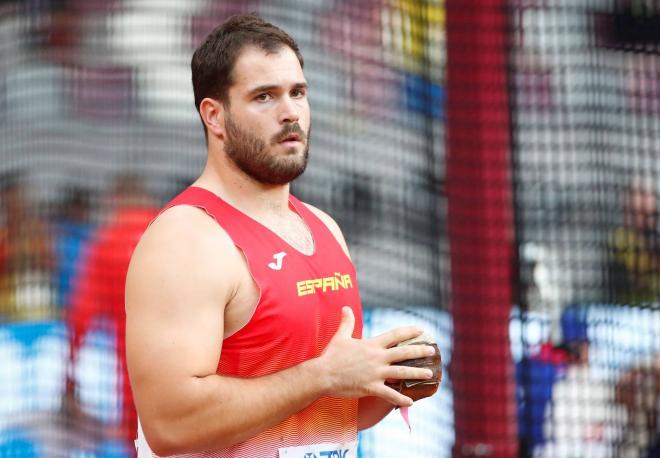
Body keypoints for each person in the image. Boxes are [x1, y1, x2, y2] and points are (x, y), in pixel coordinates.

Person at [125, 13, 438, 458]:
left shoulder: (323, 226)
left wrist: (386, 379)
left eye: (298, 93)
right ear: (214, 116)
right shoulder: (186, 239)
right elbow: (170, 424)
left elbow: (321, 416)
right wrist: (322, 375)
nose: (290, 111)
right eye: (264, 97)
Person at [65, 173, 157, 457]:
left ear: (115, 201)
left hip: (131, 374)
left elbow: (80, 318)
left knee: (139, 443)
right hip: (184, 365)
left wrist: (68, 381)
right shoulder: (166, 231)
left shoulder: (104, 241)